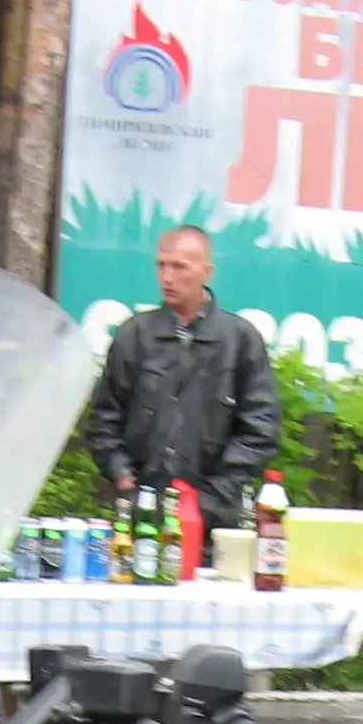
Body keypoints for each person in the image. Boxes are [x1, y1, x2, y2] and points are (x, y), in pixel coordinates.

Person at [83, 225, 282, 531]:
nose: (167, 277)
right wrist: (122, 475)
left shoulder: (240, 340)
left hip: (215, 520)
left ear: (207, 271)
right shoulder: (134, 336)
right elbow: (103, 421)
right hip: (141, 512)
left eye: (179, 267)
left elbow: (261, 430)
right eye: (161, 265)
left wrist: (214, 496)